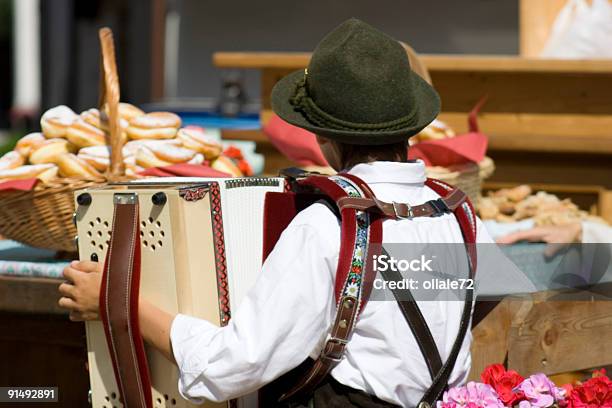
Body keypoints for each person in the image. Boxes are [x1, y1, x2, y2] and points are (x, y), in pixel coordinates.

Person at [58, 19, 494, 407]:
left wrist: (121, 301)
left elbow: (231, 366)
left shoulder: (326, 226)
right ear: (411, 126)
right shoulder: (458, 213)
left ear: (322, 137)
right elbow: (489, 292)